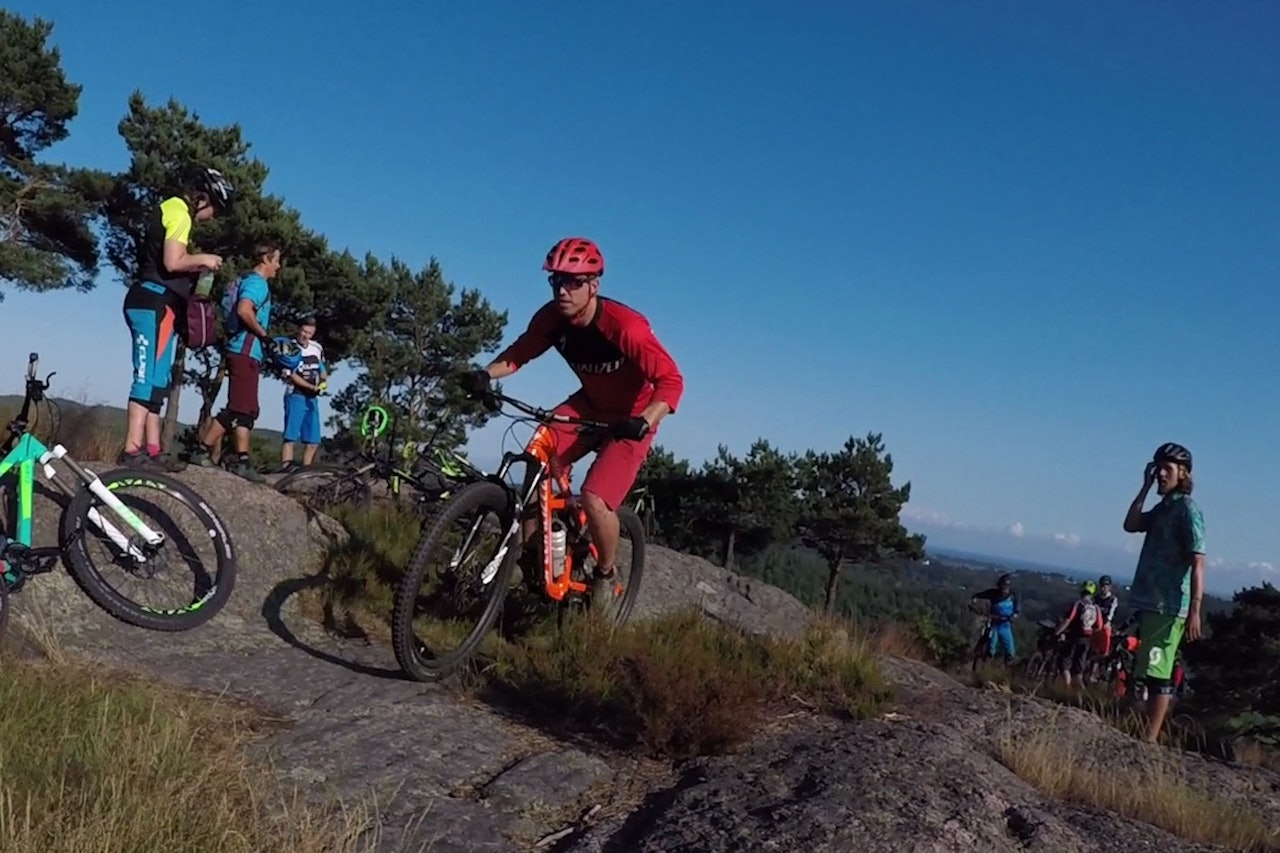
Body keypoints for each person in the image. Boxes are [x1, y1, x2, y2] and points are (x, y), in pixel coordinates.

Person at [459, 237, 684, 613]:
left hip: (632, 418)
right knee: (536, 459)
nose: (562, 289)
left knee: (595, 500)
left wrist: (645, 421)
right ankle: (534, 560)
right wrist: (486, 373)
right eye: (556, 281)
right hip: (588, 406)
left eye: (573, 282)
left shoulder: (626, 328)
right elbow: (519, 354)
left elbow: (672, 381)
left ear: (594, 285)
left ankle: (605, 574)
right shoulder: (551, 319)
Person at [121, 166, 234, 471]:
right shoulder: (179, 212)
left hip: (163, 304)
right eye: (215, 209)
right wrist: (204, 259)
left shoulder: (171, 210)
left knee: (159, 381)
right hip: (151, 301)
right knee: (146, 379)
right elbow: (173, 261)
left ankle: (154, 450)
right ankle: (132, 450)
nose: (213, 217)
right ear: (203, 198)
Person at [1123, 441, 1205, 742]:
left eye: (1167, 469)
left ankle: (1149, 740)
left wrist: (1195, 607)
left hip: (1170, 605)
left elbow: (1199, 562)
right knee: (1149, 667)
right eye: (1158, 468)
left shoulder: (1187, 510)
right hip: (1152, 602)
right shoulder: (1163, 509)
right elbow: (1131, 524)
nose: (1160, 474)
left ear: (1183, 474)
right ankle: (1145, 732)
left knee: (1159, 671)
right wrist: (1144, 488)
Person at [187, 240, 282, 482]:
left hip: (242, 351)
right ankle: (205, 451)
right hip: (245, 350)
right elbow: (244, 310)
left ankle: (241, 459)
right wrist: (264, 335)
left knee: (247, 408)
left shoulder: (245, 281)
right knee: (240, 407)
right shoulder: (257, 284)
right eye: (277, 260)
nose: (279, 267)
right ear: (266, 260)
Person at [278, 317, 327, 473]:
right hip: (296, 394)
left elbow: (322, 369)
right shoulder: (289, 347)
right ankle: (286, 467)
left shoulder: (316, 348)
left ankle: (306, 469)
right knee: (291, 435)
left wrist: (323, 381)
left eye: (310, 333)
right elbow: (290, 375)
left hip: (312, 398)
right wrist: (310, 387)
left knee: (313, 439)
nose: (306, 335)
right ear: (299, 330)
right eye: (304, 331)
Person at [1055, 580, 1101, 687]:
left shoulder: (1078, 604)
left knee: (1065, 665)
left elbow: (1068, 619)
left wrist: (1058, 632)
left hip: (1073, 637)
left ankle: (1066, 690)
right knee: (1078, 671)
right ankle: (1082, 695)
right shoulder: (1096, 607)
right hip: (1087, 640)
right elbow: (1099, 626)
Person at [969, 573, 1019, 666]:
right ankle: (984, 664)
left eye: (1005, 588)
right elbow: (981, 594)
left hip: (1005, 625)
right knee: (991, 647)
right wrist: (975, 598)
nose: (1003, 590)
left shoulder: (1013, 596)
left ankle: (1008, 668)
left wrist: (1014, 616)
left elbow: (1016, 610)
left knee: (1010, 652)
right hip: (994, 624)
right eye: (1002, 587)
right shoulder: (993, 593)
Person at [1093, 574, 1120, 657]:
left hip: (1106, 624)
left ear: (1110, 587)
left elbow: (1111, 613)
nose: (1103, 588)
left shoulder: (1113, 599)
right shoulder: (1095, 598)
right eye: (1102, 585)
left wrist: (1107, 621)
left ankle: (1105, 652)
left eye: (1106, 585)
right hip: (1095, 623)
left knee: (1106, 631)